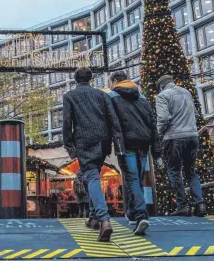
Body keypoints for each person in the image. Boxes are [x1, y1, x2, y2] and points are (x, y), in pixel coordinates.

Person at [63, 67, 125, 242]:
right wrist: (116, 142)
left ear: (76, 79)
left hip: (84, 141)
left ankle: (104, 220)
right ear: (90, 79)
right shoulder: (102, 95)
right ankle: (93, 217)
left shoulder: (70, 96)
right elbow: (113, 120)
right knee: (94, 176)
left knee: (91, 177)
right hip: (103, 140)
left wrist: (69, 146)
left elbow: (68, 122)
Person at [108, 71, 162, 234]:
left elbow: (111, 120)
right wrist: (156, 148)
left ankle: (141, 215)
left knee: (131, 178)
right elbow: (152, 122)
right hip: (144, 141)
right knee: (136, 177)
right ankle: (132, 213)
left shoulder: (112, 96)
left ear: (115, 81)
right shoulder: (142, 96)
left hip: (126, 142)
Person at [155, 75, 207, 217]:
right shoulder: (186, 92)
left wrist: (158, 132)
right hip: (192, 136)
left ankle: (183, 206)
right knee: (191, 171)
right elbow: (195, 115)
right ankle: (199, 204)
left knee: (174, 171)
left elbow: (164, 118)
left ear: (161, 86)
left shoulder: (162, 96)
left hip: (174, 138)